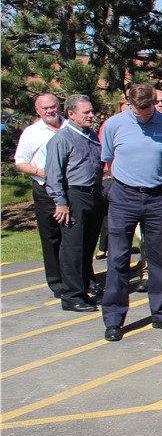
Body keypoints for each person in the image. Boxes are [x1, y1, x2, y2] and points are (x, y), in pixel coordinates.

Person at [99, 82, 162, 341]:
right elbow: (109, 159)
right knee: (119, 258)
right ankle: (113, 319)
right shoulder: (114, 125)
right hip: (124, 194)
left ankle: (161, 314)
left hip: (156, 195)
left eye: (148, 110)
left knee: (160, 258)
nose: (144, 116)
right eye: (138, 111)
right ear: (128, 103)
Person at [43, 94, 105, 312]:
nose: (91, 115)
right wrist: (61, 202)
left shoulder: (91, 136)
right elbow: (53, 174)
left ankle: (84, 289)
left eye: (91, 111)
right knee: (72, 248)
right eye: (85, 112)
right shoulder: (62, 139)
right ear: (71, 114)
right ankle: (71, 295)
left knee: (87, 246)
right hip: (74, 195)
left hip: (94, 195)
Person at [13, 93, 66, 297]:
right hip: (45, 188)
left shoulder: (70, 126)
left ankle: (82, 278)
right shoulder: (32, 132)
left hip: (71, 188)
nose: (50, 110)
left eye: (53, 106)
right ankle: (57, 282)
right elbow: (20, 161)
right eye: (45, 108)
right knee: (52, 236)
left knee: (75, 236)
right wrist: (39, 172)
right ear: (37, 111)